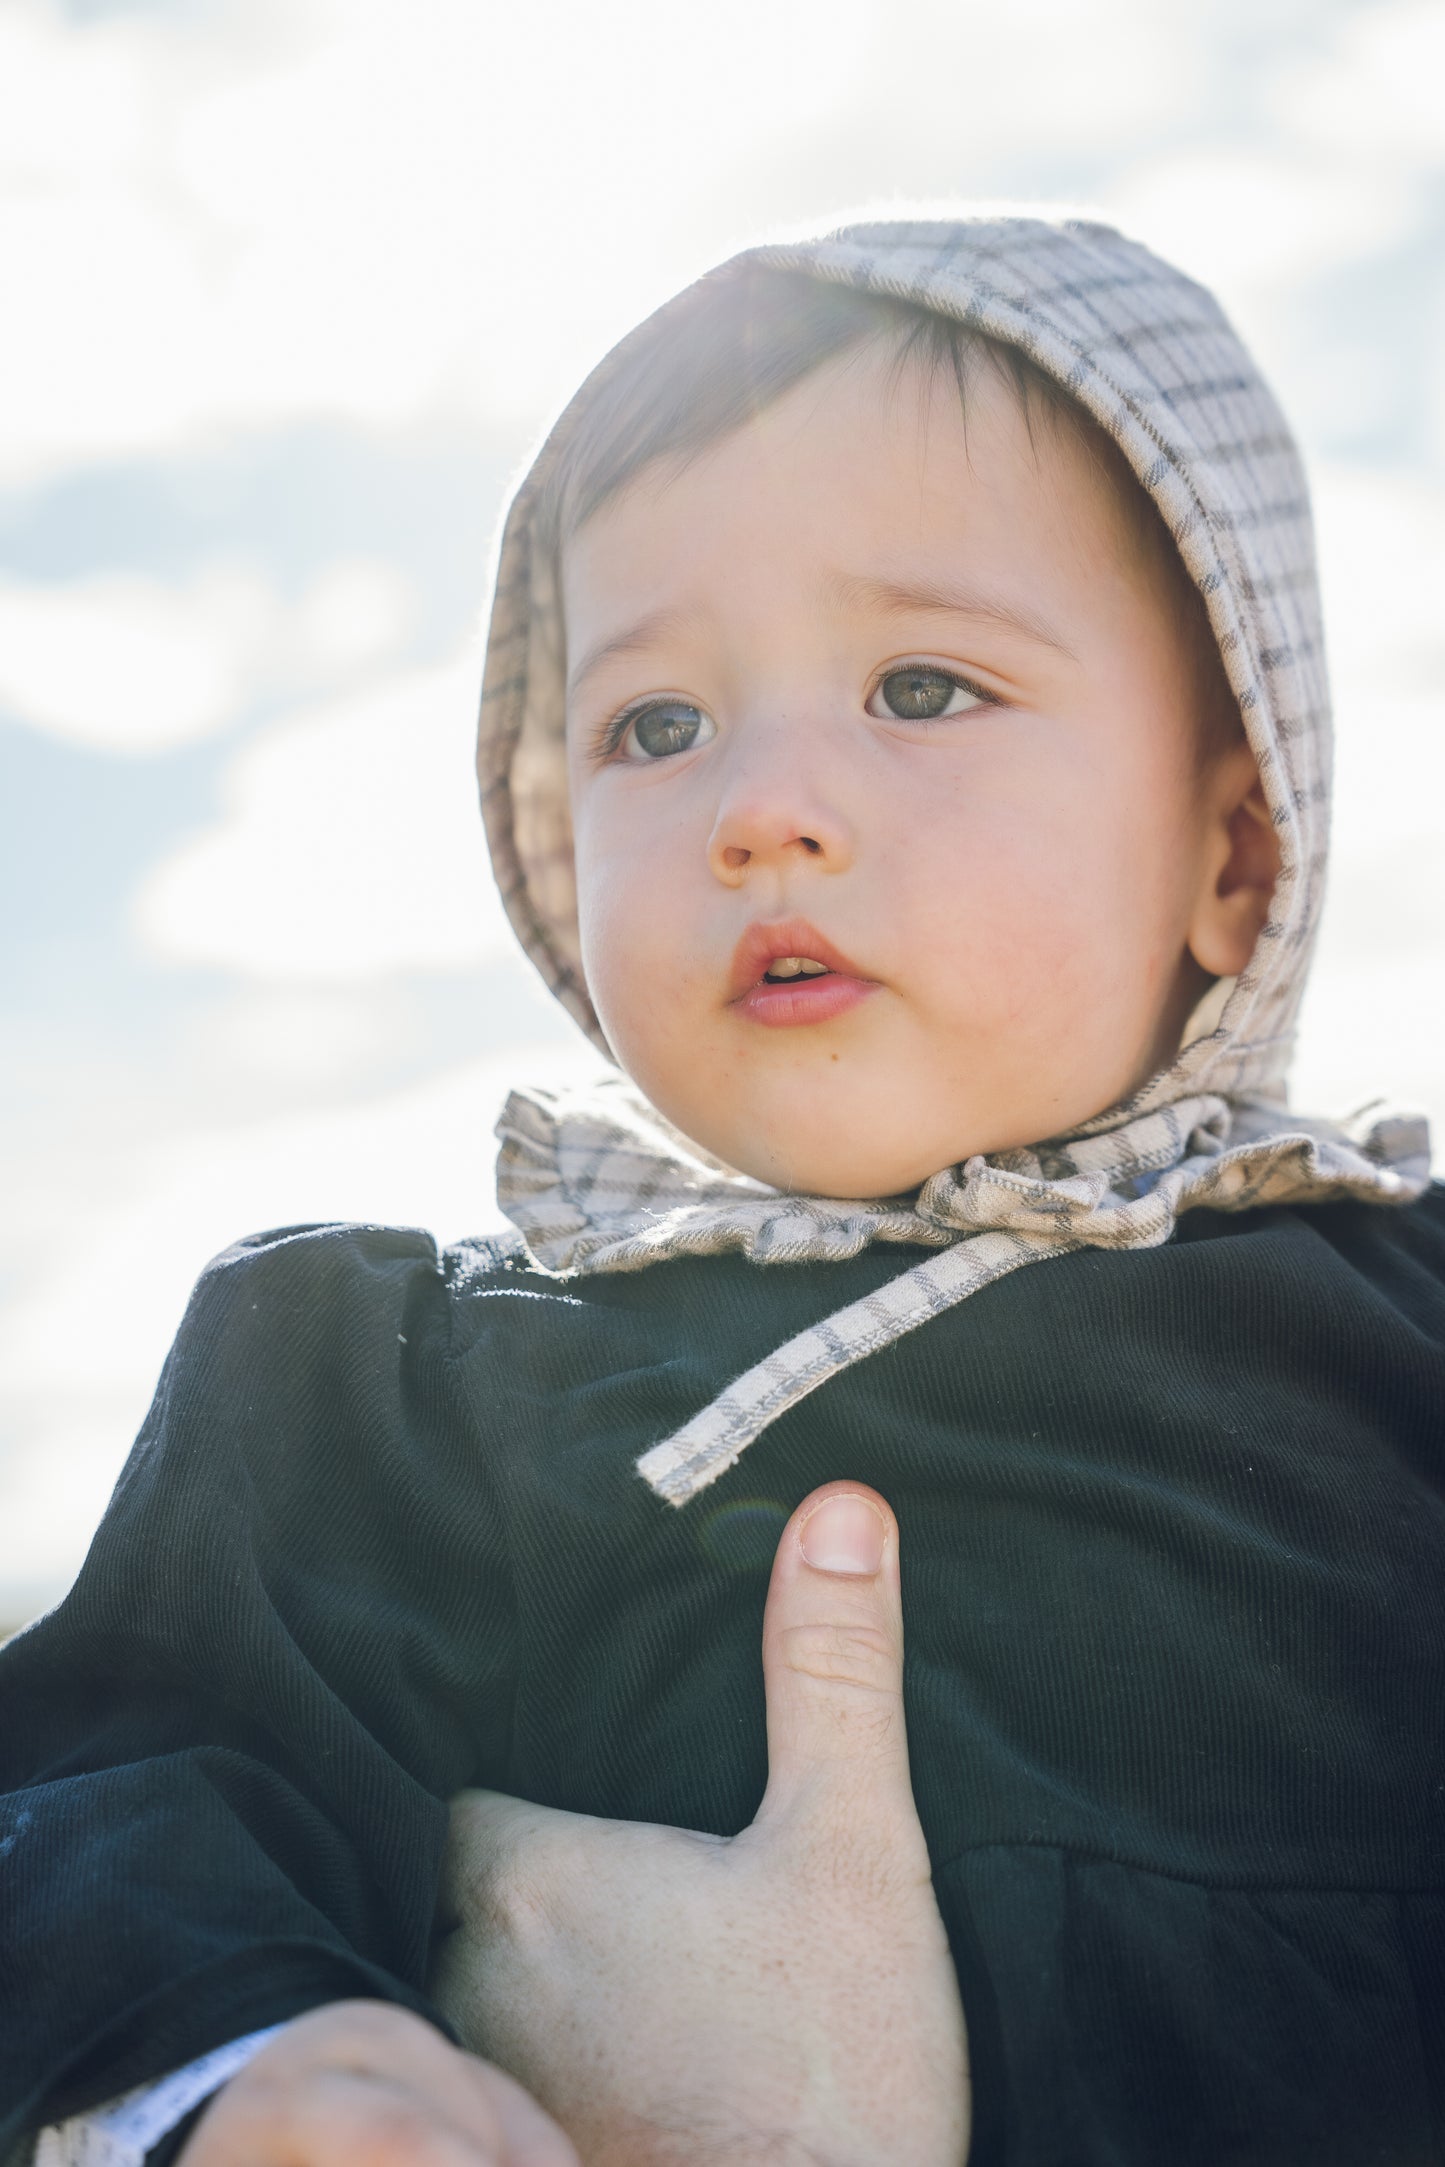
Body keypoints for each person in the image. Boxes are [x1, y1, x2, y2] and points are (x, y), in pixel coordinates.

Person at [4, 210, 1443, 2167]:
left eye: (922, 686)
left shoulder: (1402, 1350)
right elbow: (133, 1766)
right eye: (655, 724)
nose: (763, 805)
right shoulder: (406, 1379)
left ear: (1235, 855)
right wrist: (264, 2056)